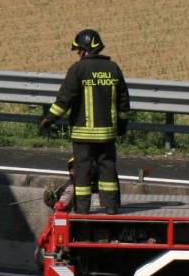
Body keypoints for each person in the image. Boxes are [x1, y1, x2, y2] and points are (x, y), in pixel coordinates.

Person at [39, 28, 130, 215]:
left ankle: (82, 209)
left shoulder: (78, 69)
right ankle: (111, 207)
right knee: (108, 170)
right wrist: (121, 126)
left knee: (83, 171)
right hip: (107, 134)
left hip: (83, 135)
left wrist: (48, 119)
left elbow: (65, 100)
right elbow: (123, 103)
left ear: (86, 49)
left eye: (79, 50)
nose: (78, 54)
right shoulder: (113, 69)